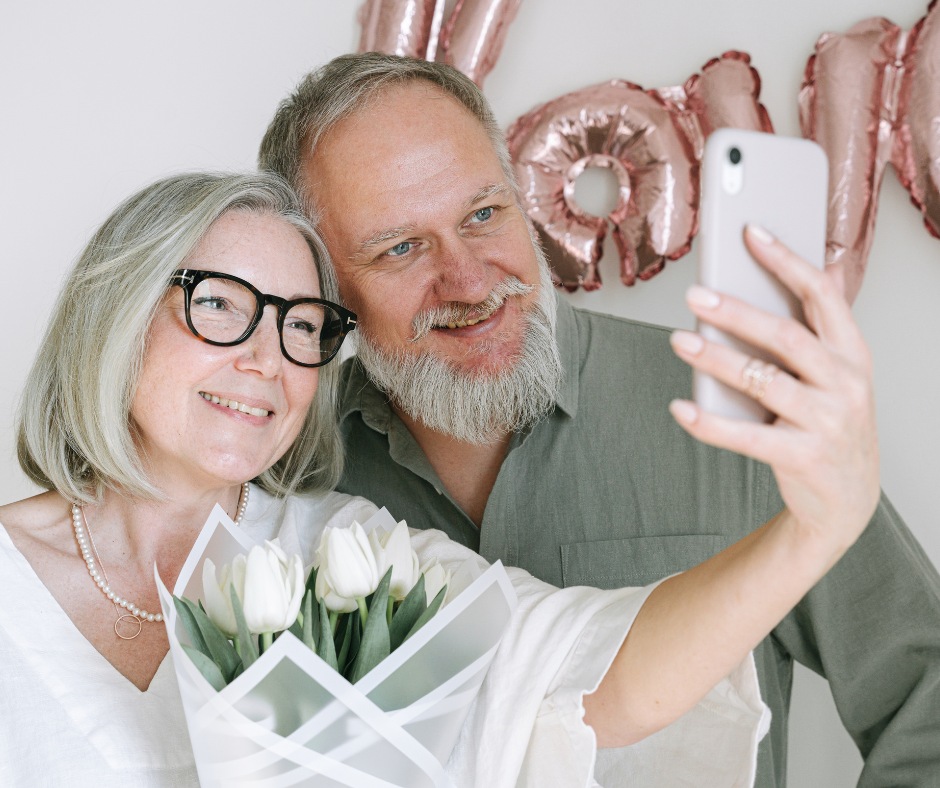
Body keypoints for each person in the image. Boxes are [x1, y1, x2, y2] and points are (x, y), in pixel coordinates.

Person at [0, 169, 882, 787]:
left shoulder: (359, 563)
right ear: (114, 313)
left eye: (302, 324)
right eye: (221, 306)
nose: (268, 360)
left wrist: (815, 533)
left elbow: (590, 679)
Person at [258, 52, 940, 785]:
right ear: (321, 285)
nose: (469, 279)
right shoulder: (281, 467)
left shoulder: (745, 412)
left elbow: (926, 700)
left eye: (484, 214)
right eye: (401, 248)